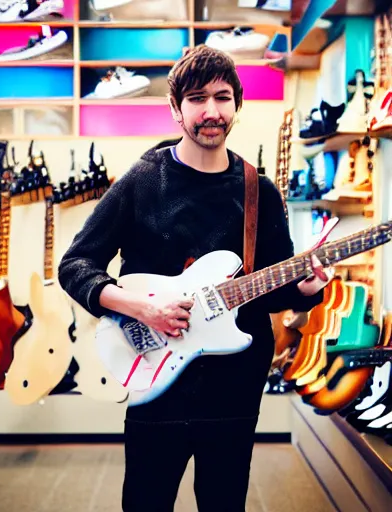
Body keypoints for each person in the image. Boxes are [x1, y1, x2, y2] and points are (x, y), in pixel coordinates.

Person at [58, 44, 333, 511]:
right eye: (197, 98)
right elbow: (75, 265)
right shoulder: (143, 181)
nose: (211, 111)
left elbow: (272, 286)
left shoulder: (257, 190)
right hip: (157, 380)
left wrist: (305, 290)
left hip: (234, 386)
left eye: (222, 98)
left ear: (237, 105)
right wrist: (141, 307)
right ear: (175, 109)